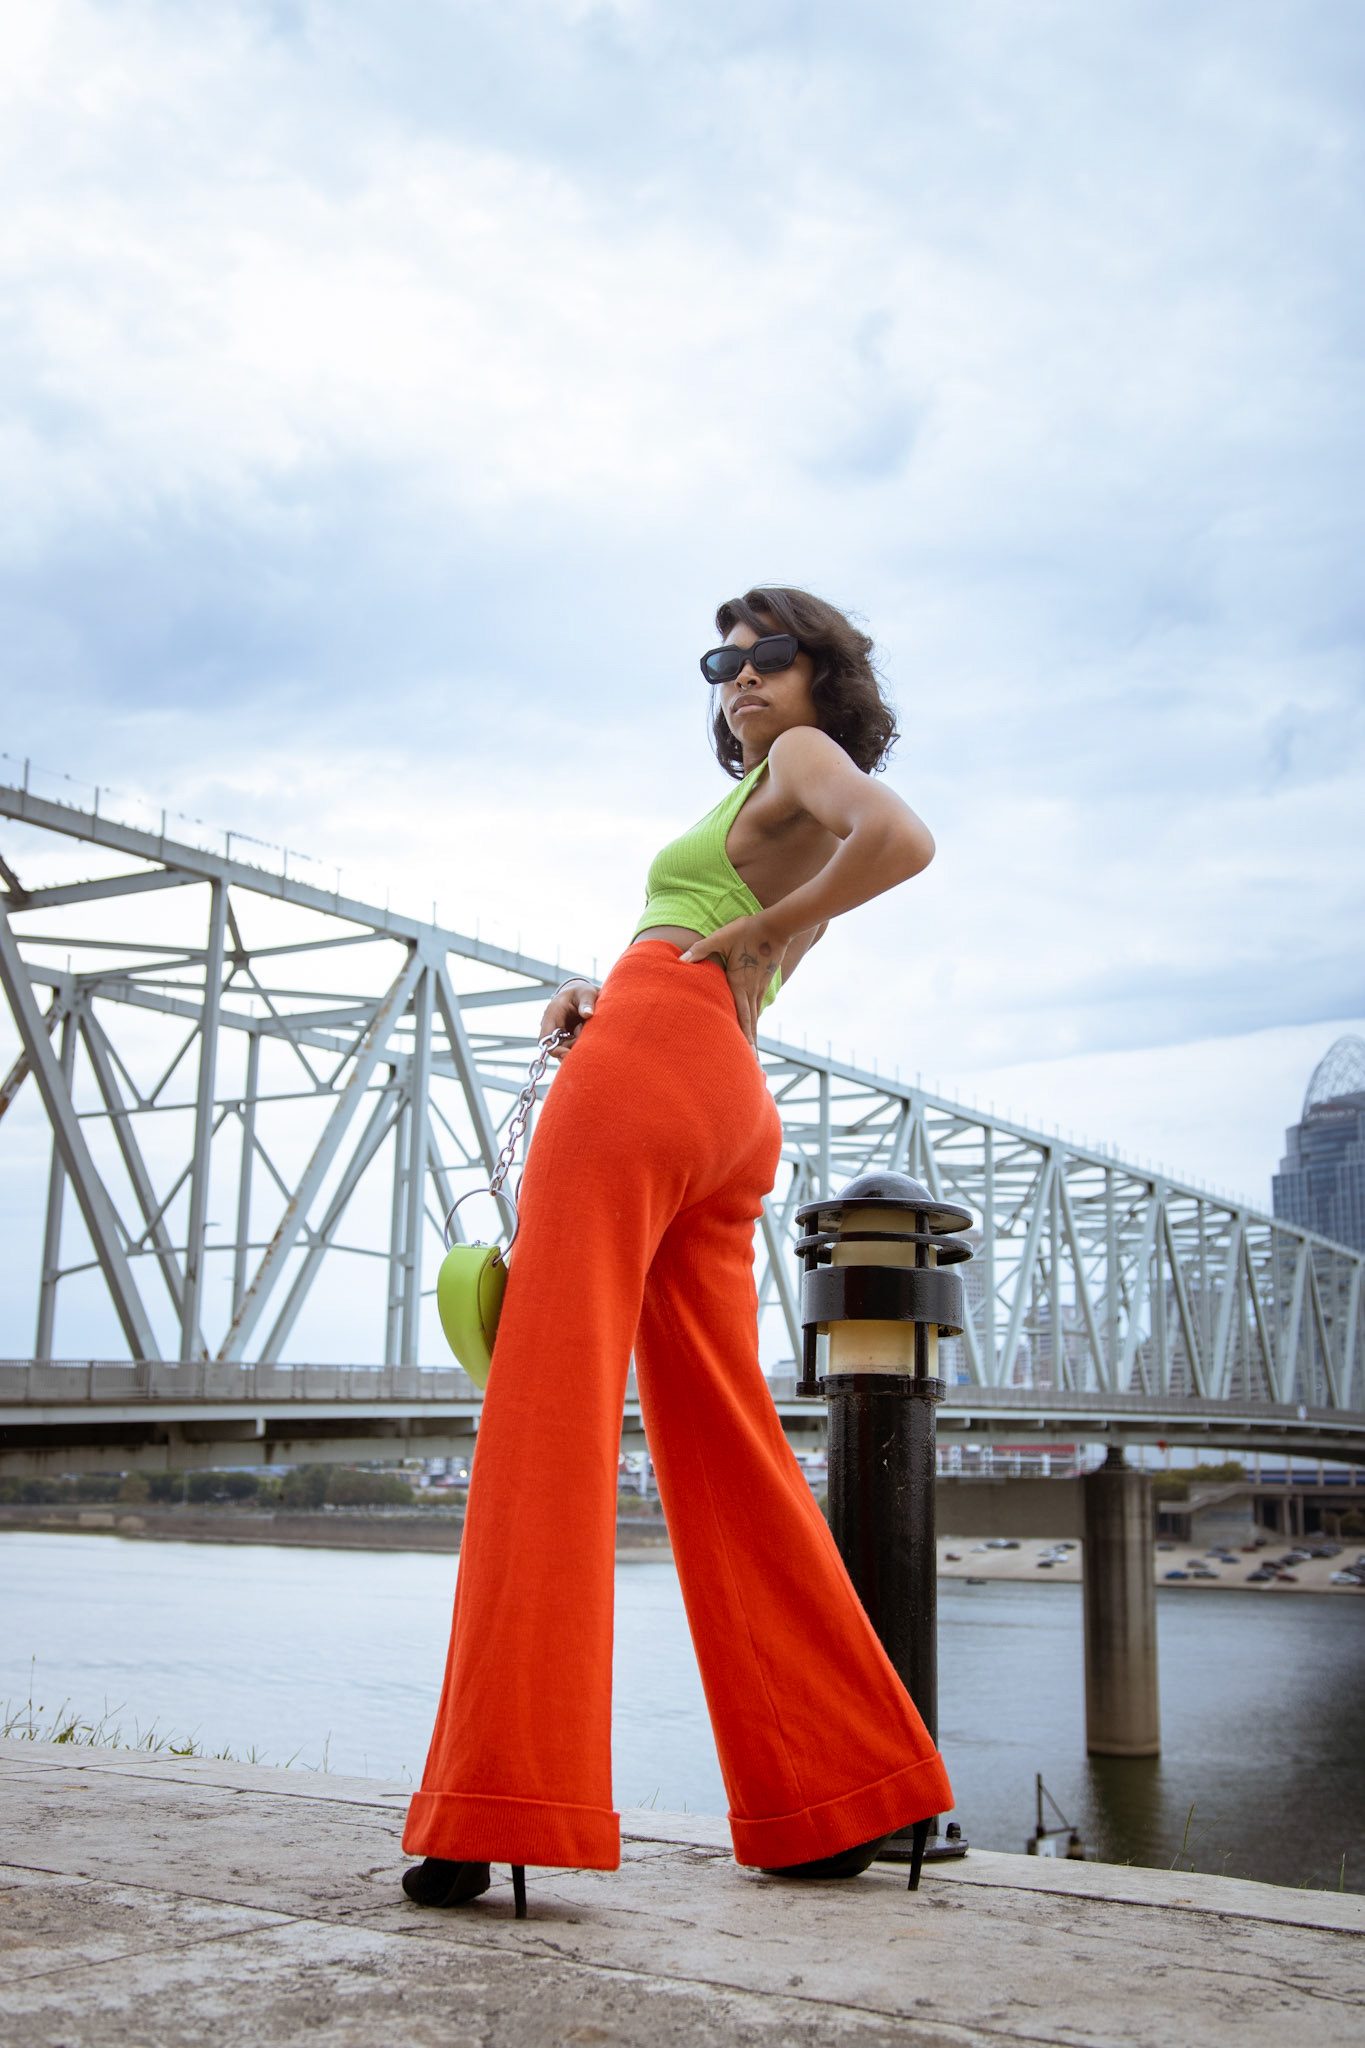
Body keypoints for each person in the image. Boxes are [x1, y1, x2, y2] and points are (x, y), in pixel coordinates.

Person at [402, 585, 951, 1910]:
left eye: (772, 655)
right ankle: (834, 1796)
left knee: (548, 1413)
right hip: (722, 1098)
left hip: (653, 1065)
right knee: (726, 1442)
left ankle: (498, 1798)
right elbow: (746, 934)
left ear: (825, 675)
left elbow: (904, 840)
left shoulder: (802, 762)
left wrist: (731, 941)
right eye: (724, 662)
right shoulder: (771, 803)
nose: (741, 678)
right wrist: (621, 983)